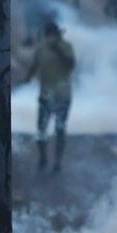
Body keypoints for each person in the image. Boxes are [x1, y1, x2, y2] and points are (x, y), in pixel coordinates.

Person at [27, 21, 76, 173]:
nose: (50, 38)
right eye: (48, 36)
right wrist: (26, 79)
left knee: (60, 128)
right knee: (41, 129)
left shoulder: (67, 47)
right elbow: (34, 67)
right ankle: (43, 158)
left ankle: (57, 162)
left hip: (63, 95)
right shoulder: (40, 49)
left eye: (52, 36)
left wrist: (59, 50)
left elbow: (71, 64)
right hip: (45, 96)